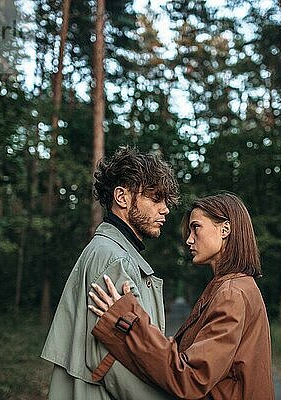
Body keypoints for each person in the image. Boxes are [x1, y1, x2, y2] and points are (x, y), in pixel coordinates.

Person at [88, 192, 275, 400]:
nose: (189, 239)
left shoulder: (232, 293)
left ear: (225, 229)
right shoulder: (232, 286)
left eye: (196, 227)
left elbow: (192, 378)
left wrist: (128, 322)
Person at [40, 146, 180, 400]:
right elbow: (112, 360)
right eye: (155, 198)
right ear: (122, 197)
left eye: (166, 201)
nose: (165, 209)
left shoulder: (111, 252)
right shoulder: (114, 259)